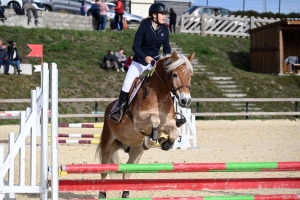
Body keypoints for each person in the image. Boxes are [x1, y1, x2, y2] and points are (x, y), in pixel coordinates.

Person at [109, 3, 172, 122]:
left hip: (155, 63)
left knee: (170, 81)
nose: (165, 16)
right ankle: (120, 109)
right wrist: (144, 57)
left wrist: (168, 60)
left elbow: (167, 48)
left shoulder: (164, 29)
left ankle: (174, 113)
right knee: (127, 83)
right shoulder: (144, 26)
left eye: (165, 14)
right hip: (140, 62)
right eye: (162, 14)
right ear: (154, 15)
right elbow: (135, 47)